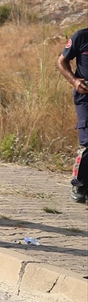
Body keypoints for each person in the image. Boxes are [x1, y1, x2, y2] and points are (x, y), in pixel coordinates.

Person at [56, 27, 88, 204]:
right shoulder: (81, 36)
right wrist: (74, 81)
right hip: (85, 98)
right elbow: (62, 61)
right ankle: (79, 185)